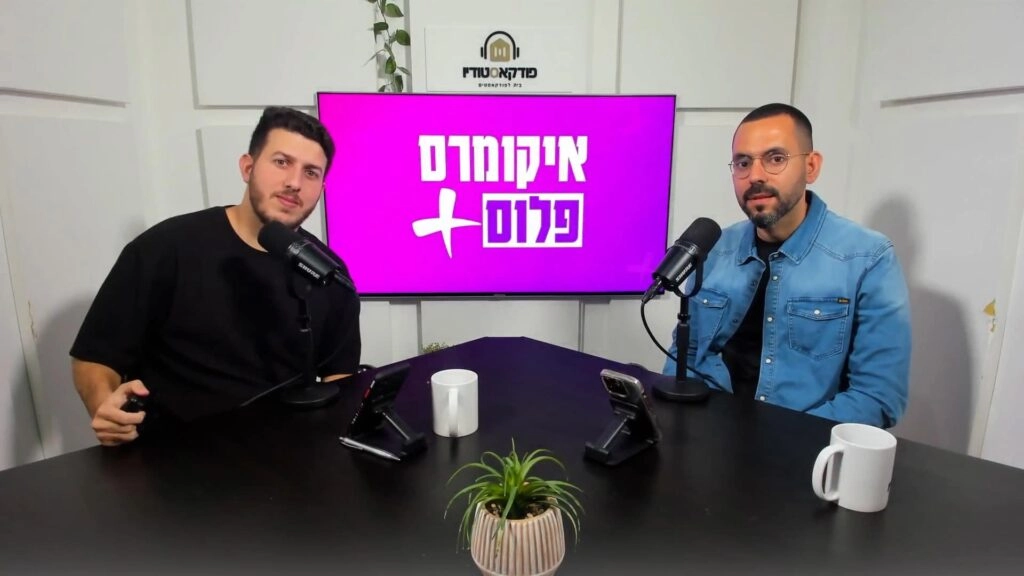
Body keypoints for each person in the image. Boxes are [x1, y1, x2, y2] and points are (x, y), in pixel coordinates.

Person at [71, 106, 361, 446]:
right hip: (173, 460)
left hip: (288, 460)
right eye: (282, 162)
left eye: (310, 172)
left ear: (321, 189)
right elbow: (94, 358)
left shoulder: (328, 272)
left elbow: (340, 377)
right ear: (247, 167)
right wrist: (105, 408)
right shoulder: (165, 248)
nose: (294, 183)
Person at [664, 103, 910, 427]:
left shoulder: (868, 258)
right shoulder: (715, 248)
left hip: (804, 447)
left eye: (775, 158)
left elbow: (878, 397)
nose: (756, 176)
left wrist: (782, 441)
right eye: (743, 163)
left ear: (811, 166)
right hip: (707, 435)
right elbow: (685, 356)